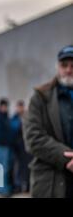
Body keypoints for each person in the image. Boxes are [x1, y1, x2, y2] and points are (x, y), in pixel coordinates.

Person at [23, 45, 73, 198]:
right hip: (50, 180)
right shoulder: (40, 97)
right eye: (64, 65)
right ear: (57, 67)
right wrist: (67, 158)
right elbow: (33, 138)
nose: (68, 70)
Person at [0, 98, 13, 196]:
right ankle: (1, 189)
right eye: (4, 106)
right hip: (1, 146)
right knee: (1, 168)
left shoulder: (6, 117)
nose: (5, 108)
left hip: (7, 146)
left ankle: (4, 188)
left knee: (6, 168)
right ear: (0, 107)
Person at [10, 100, 31, 193]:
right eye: (19, 107)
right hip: (17, 147)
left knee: (27, 167)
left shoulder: (28, 116)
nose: (20, 109)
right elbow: (13, 129)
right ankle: (18, 186)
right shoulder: (14, 118)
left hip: (27, 146)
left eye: (21, 107)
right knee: (18, 167)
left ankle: (27, 186)